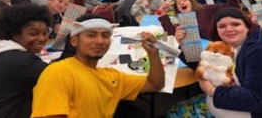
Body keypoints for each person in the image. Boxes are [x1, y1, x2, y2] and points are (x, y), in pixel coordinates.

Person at [166, 7, 262, 118]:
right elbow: (203, 66)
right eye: (222, 26)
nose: (229, 29)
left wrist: (212, 90)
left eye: (235, 24)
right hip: (235, 108)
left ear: (247, 26)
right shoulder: (232, 48)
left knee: (175, 113)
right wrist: (180, 45)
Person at [31, 14, 165, 118]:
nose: (100, 41)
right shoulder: (58, 72)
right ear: (74, 41)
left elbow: (155, 84)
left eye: (105, 35)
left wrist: (153, 54)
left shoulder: (112, 77)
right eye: (91, 35)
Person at [0, 4, 51, 118]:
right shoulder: (22, 62)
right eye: (33, 34)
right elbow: (62, 76)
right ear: (15, 34)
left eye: (45, 33)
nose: (41, 38)